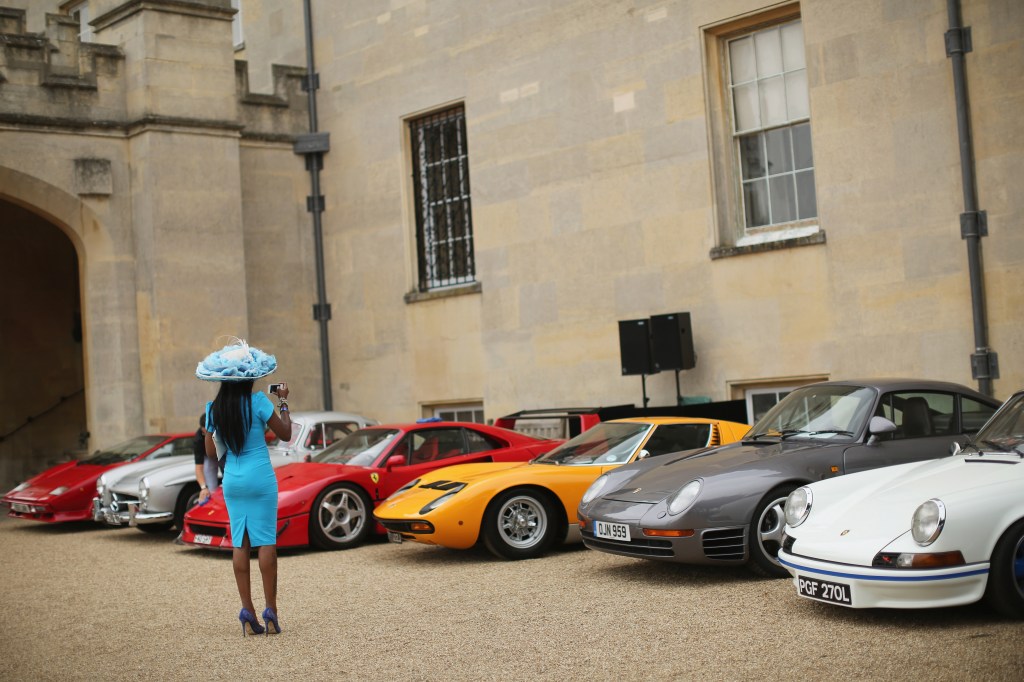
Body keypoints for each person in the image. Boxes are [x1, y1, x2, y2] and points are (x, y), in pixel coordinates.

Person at [195, 340, 292, 637]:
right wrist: (284, 402)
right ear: (249, 377)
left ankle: (246, 610)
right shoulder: (260, 401)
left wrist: (208, 433)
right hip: (261, 476)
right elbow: (286, 434)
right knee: (266, 542)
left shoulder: (214, 409)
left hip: (233, 480)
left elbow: (212, 455)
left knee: (241, 542)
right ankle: (271, 610)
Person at [193, 413, 219, 504]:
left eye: (209, 433)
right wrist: (203, 487)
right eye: (204, 433)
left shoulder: (222, 432)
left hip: (224, 454)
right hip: (209, 457)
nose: (206, 437)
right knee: (208, 469)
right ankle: (213, 501)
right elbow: (199, 467)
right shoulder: (198, 439)